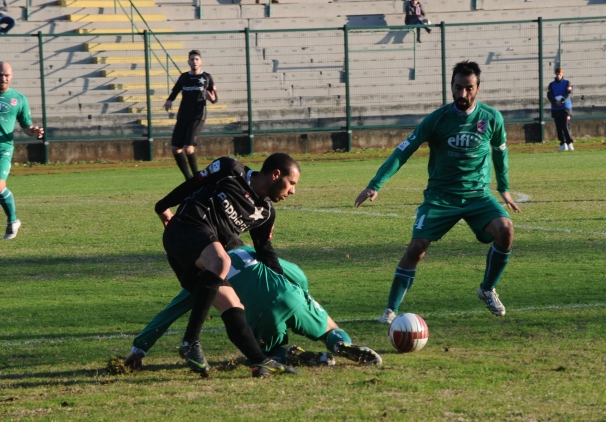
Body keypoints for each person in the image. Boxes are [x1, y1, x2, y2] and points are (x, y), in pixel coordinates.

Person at [354, 60, 520, 324]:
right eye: (458, 87)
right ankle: (390, 310)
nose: (462, 94)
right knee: (416, 248)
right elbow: (403, 150)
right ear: (451, 86)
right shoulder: (437, 119)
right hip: (440, 197)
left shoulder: (491, 118)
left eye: (468, 88)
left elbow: (500, 153)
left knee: (506, 229)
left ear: (478, 88)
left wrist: (504, 188)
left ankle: (487, 289)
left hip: (478, 195)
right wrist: (376, 184)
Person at [123, 243, 382, 371]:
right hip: (291, 296)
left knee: (261, 349)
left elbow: (171, 312)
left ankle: (290, 355)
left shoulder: (204, 275)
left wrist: (140, 347)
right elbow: (297, 273)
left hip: (259, 316)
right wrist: (303, 296)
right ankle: (339, 344)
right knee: (328, 327)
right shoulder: (248, 250)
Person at [155, 153, 301, 378]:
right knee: (223, 261)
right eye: (291, 183)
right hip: (184, 229)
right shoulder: (229, 169)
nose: (293, 191)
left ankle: (260, 362)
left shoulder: (265, 213)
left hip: (201, 260)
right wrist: (162, 207)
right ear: (275, 175)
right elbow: (192, 184)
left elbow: (264, 249)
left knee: (233, 305)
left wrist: (283, 283)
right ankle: (190, 341)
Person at [0, 62, 44, 240]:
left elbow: (26, 125)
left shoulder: (19, 99)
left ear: (11, 75)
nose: (3, 78)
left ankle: (13, 221)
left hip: (1, 150)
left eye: (6, 75)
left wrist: (33, 131)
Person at [163, 50, 217, 181]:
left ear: (201, 61)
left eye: (197, 59)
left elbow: (214, 98)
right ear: (188, 62)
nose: (194, 61)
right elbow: (175, 90)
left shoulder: (206, 77)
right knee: (175, 149)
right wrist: (169, 100)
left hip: (197, 115)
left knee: (188, 148)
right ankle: (189, 179)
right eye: (192, 59)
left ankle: (198, 179)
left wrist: (212, 98)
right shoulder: (184, 77)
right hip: (183, 115)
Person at [547, 67, 574, 151]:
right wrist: (555, 101)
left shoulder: (567, 83)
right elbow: (549, 95)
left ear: (562, 74)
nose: (558, 76)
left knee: (566, 125)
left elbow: (568, 93)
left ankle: (570, 143)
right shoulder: (551, 84)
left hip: (565, 108)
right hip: (556, 109)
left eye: (560, 74)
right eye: (557, 74)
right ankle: (563, 144)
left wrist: (562, 101)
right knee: (558, 127)